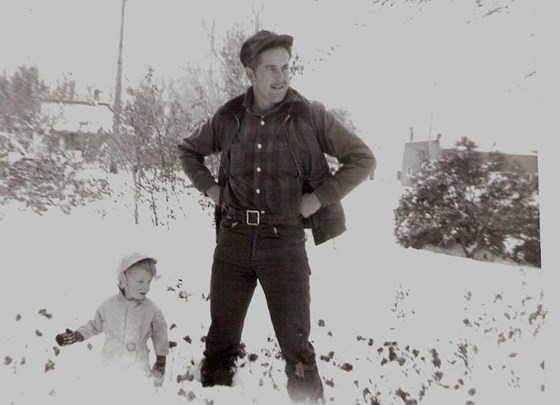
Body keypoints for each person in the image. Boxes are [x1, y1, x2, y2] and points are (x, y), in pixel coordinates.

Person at [178, 30, 375, 403]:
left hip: (283, 244)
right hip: (233, 241)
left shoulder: (310, 116)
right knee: (221, 336)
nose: (281, 76)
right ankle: (214, 395)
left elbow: (362, 159)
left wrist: (318, 199)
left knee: (295, 342)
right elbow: (188, 150)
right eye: (271, 68)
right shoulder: (229, 115)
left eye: (286, 67)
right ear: (251, 74)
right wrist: (212, 190)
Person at [55, 252, 169, 384]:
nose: (146, 287)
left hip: (138, 364)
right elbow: (94, 325)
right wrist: (77, 335)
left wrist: (161, 360)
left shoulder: (151, 309)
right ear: (123, 280)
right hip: (110, 361)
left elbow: (160, 334)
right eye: (140, 281)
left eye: (148, 282)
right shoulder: (109, 305)